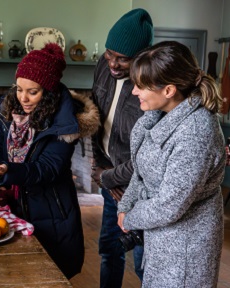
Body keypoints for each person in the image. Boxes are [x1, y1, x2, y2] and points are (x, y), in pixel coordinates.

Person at [0, 43, 99, 279]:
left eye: (33, 91)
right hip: (17, 204)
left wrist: (7, 170)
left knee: (50, 275)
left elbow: (47, 169)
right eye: (19, 89)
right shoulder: (11, 109)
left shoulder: (65, 123)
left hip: (52, 210)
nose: (24, 98)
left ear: (48, 91)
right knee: (17, 271)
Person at [117, 40, 225, 287]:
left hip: (186, 248)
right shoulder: (160, 116)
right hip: (162, 240)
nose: (134, 92)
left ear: (168, 90)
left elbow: (169, 205)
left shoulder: (196, 132)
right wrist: (126, 205)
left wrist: (130, 217)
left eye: (141, 86)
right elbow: (141, 171)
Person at [90, 8, 153, 287]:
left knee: (143, 261)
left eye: (122, 59)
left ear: (141, 56)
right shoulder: (103, 68)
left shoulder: (150, 83)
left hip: (140, 187)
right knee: (110, 250)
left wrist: (110, 177)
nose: (113, 64)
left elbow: (148, 152)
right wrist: (100, 169)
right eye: (109, 53)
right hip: (110, 178)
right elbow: (93, 117)